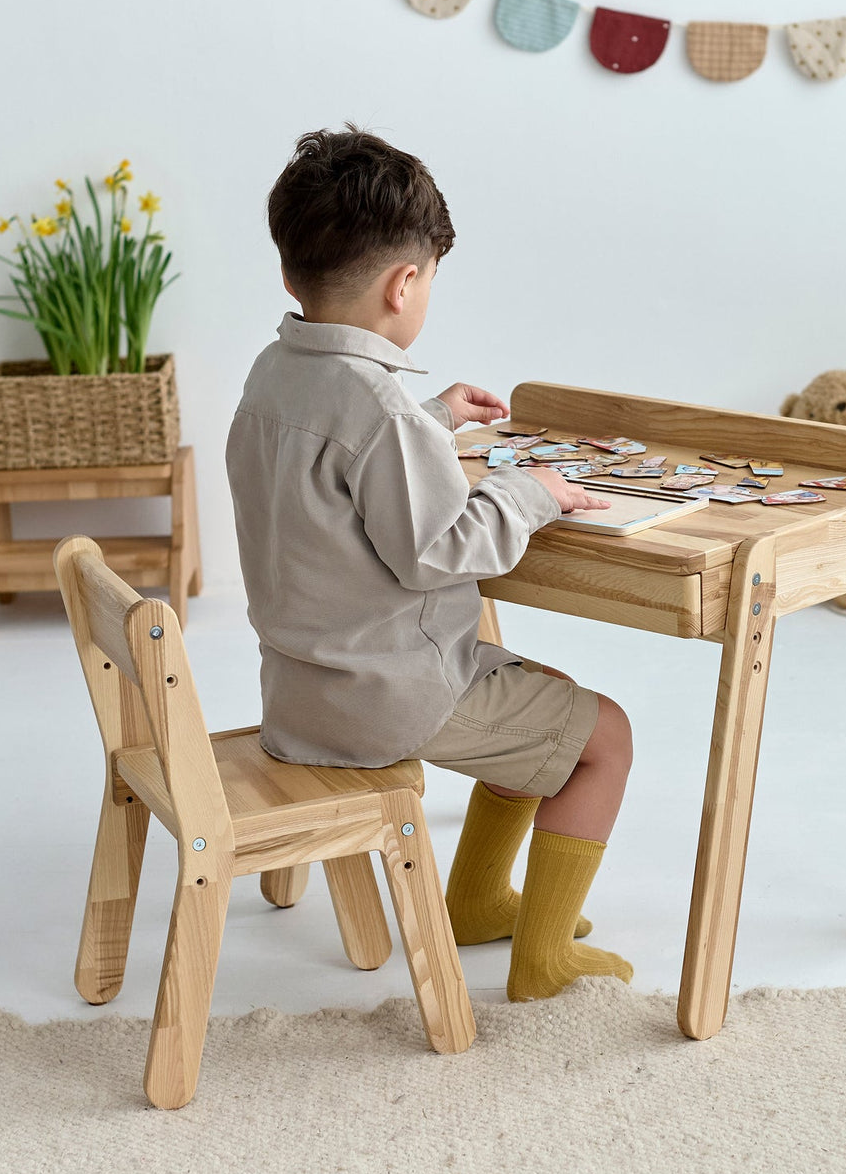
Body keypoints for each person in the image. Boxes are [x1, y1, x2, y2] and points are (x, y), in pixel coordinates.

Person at [226, 126, 634, 1000]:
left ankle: (480, 900)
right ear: (403, 284)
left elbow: (332, 470)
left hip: (300, 689)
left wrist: (433, 418)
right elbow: (445, 549)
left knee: (530, 695)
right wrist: (534, 493)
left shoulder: (271, 376)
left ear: (292, 269)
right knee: (603, 740)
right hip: (386, 699)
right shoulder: (382, 413)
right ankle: (543, 959)